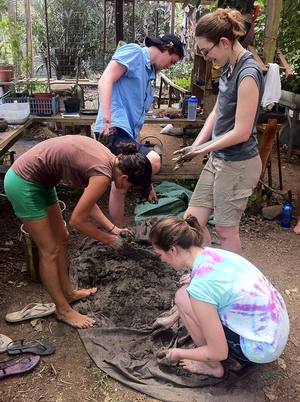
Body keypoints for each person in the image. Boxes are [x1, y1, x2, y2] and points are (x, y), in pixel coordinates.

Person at [4, 135, 152, 329]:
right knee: (49, 250)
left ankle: (68, 293)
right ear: (124, 178)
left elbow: (87, 205)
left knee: (62, 238)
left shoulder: (109, 159)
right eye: (130, 187)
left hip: (43, 182)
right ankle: (62, 310)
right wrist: (110, 240)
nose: (127, 190)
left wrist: (113, 229)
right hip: (24, 183)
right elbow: (77, 221)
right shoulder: (103, 174)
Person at [149, 215, 289, 377]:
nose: (162, 260)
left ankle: (212, 366)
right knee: (186, 296)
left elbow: (219, 352)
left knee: (182, 296)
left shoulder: (200, 288)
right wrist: (176, 315)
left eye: (161, 254)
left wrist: (177, 353)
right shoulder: (211, 254)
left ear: (173, 250)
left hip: (263, 347)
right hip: (276, 329)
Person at [173, 8, 264, 254]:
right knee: (191, 222)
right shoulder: (227, 66)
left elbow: (242, 133)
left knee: (225, 230)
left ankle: (227, 286)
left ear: (224, 42)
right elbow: (216, 112)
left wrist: (201, 149)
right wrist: (196, 146)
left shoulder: (248, 73)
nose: (205, 57)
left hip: (239, 163)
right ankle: (205, 272)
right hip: (218, 158)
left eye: (206, 51)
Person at [93, 34, 184, 228]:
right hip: (113, 130)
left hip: (127, 134)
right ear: (167, 48)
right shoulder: (134, 52)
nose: (169, 66)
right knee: (154, 160)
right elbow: (105, 80)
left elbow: (136, 126)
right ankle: (140, 195)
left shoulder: (148, 77)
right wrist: (106, 122)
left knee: (119, 187)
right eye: (172, 61)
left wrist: (146, 177)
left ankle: (118, 232)